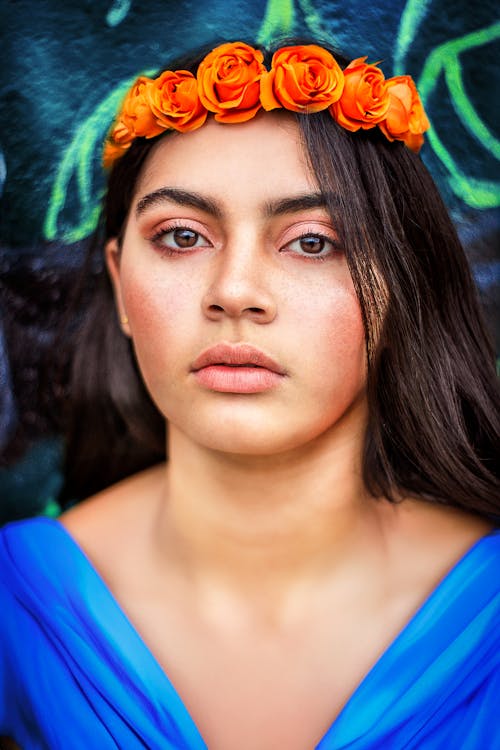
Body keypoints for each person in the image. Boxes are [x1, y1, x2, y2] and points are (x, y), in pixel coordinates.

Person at [0, 39, 499, 749]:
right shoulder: (16, 608)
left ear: (399, 287)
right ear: (118, 284)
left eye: (313, 242)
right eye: (180, 235)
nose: (235, 292)